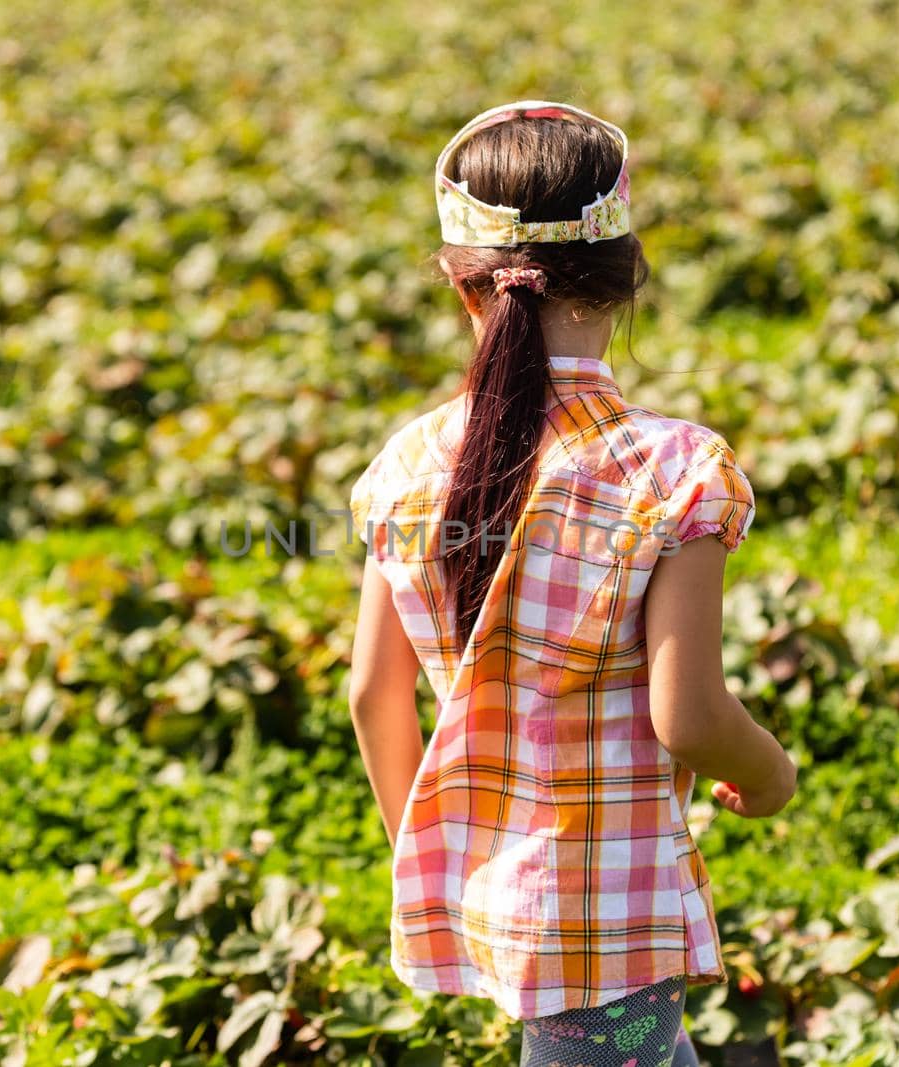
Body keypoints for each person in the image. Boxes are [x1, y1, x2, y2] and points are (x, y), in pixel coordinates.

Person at [346, 100, 798, 1067]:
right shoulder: (674, 469)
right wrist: (768, 771)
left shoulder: (403, 465)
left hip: (500, 900)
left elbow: (372, 695)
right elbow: (688, 717)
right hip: (607, 918)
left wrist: (435, 862)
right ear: (626, 276)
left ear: (464, 288)